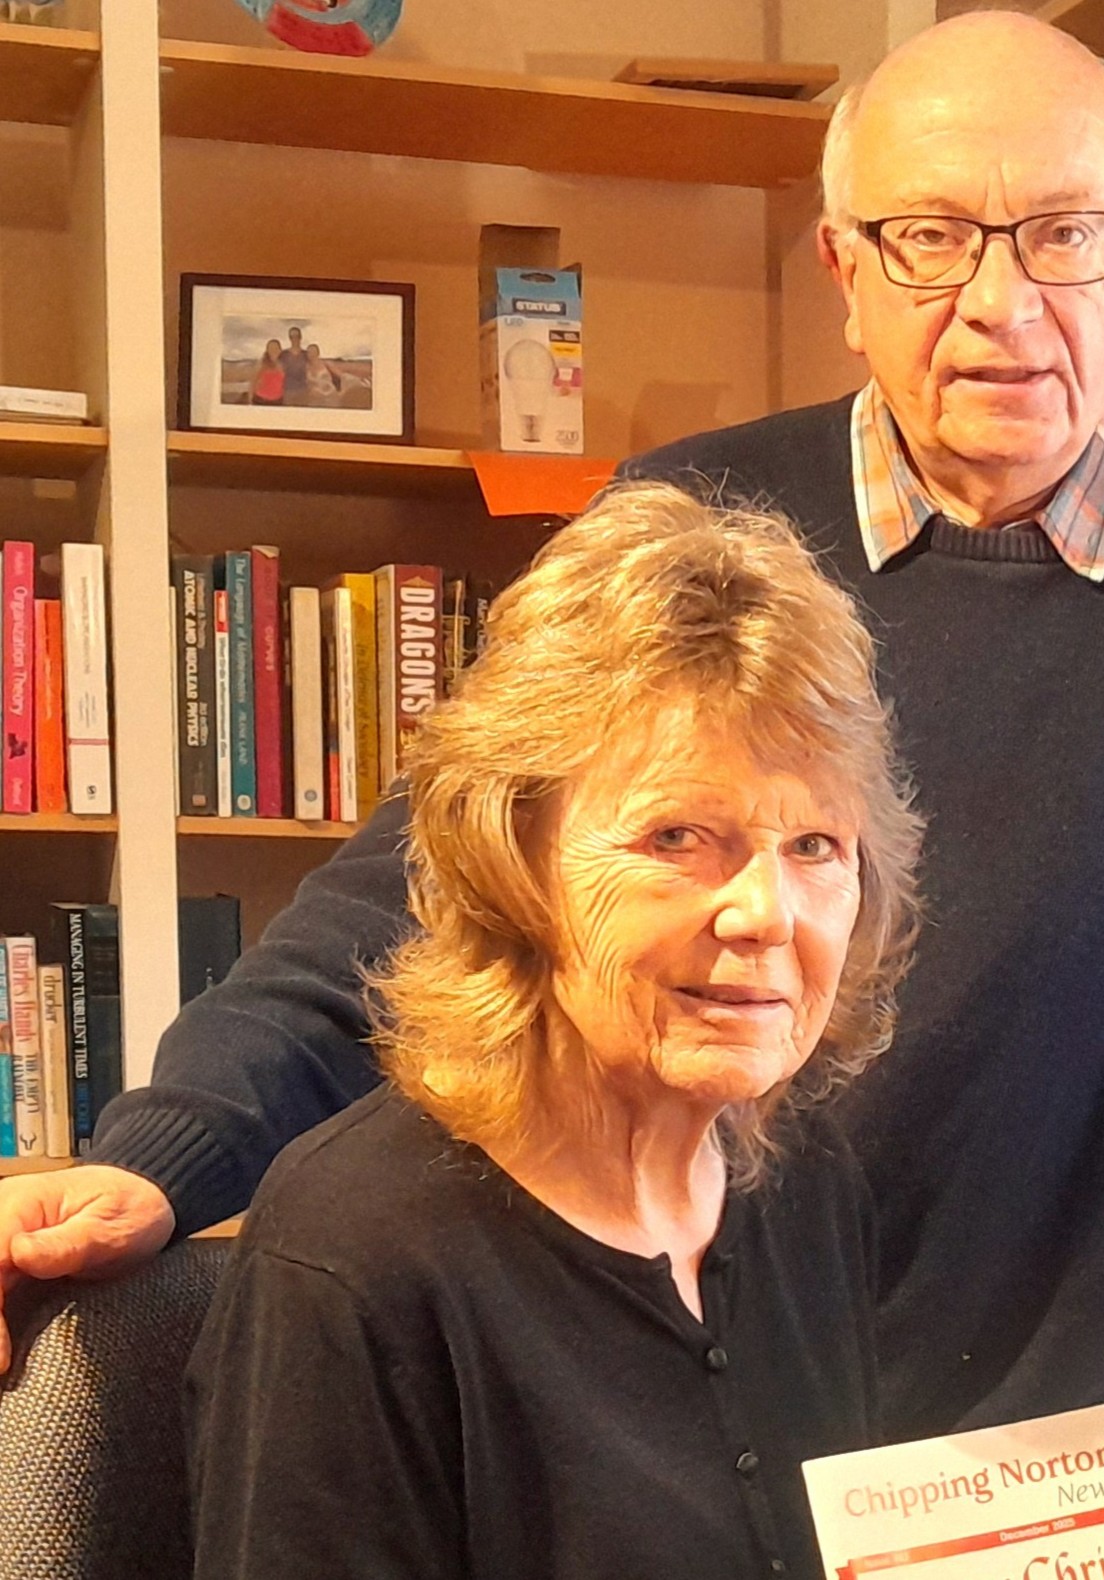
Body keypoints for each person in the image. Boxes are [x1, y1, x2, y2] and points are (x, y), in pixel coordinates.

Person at [0, 16, 1104, 1578]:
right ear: (842, 268)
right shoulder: (696, 525)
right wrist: (170, 1145)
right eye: (930, 239)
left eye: (1066, 236)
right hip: (711, 1440)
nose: (1001, 305)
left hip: (1061, 1485)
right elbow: (423, 890)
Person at [188, 483, 922, 1579]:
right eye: (680, 833)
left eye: (816, 845)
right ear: (512, 857)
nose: (769, 913)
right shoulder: (353, 1257)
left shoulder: (806, 1180)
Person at [277, 325, 310, 405]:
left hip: (303, 390)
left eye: (297, 336)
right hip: (288, 391)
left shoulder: (306, 354)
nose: (294, 339)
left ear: (300, 337)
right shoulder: (283, 354)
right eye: (292, 336)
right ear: (289, 338)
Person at [249, 339, 285, 404]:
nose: (274, 350)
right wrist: (250, 400)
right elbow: (253, 383)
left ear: (280, 350)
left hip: (278, 401)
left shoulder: (282, 364)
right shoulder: (261, 364)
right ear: (267, 350)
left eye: (276, 348)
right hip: (262, 400)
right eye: (271, 348)